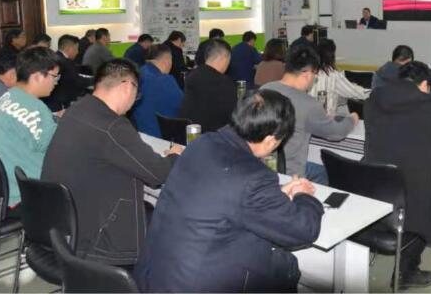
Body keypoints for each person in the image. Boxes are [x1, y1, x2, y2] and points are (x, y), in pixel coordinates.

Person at [134, 91, 323, 293]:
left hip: (153, 276)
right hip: (195, 285)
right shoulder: (254, 176)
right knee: (287, 266)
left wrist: (276, 195)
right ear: (270, 140)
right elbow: (303, 231)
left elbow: (224, 194)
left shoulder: (201, 144)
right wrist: (304, 195)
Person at [42, 59, 182, 267]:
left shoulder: (76, 110)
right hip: (100, 240)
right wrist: (175, 155)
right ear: (127, 87)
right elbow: (158, 174)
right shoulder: (112, 125)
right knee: (175, 223)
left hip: (66, 227)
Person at [364, 61, 431, 289]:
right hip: (411, 201)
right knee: (427, 198)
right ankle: (406, 272)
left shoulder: (373, 100)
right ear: (424, 84)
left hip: (372, 189)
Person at [262, 46, 357, 184]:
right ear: (307, 74)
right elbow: (336, 133)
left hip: (264, 166)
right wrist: (352, 119)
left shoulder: (265, 89)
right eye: (315, 75)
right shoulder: (308, 104)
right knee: (326, 172)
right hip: (291, 174)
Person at [0, 47, 60, 208]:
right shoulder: (37, 109)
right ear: (37, 76)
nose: (56, 82)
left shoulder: (7, 96)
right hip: (22, 193)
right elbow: (57, 148)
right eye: (54, 76)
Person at [180, 38, 236, 132]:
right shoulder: (224, 82)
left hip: (191, 132)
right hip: (213, 135)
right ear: (223, 58)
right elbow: (233, 115)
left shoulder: (191, 75)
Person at [132, 44, 184, 138]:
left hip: (138, 132)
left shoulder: (137, 74)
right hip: (161, 136)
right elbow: (183, 106)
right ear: (167, 60)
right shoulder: (166, 80)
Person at [308, 39, 370, 115]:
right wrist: (375, 92)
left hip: (306, 118)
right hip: (325, 120)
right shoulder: (333, 75)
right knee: (354, 117)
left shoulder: (307, 72)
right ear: (332, 56)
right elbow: (355, 92)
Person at [43, 34, 93, 112]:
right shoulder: (63, 62)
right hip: (58, 103)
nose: (77, 52)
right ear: (69, 48)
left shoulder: (57, 57)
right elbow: (75, 80)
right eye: (76, 49)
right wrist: (94, 80)